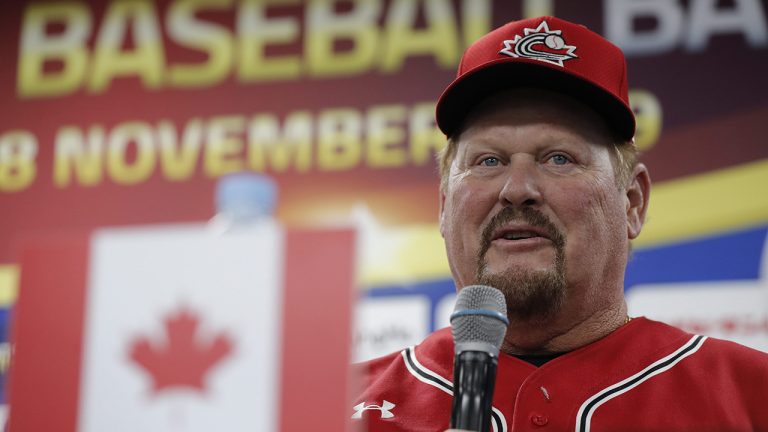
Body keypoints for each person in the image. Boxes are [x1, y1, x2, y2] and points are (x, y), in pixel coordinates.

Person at [351, 16, 768, 432]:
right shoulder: (339, 408)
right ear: (444, 207)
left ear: (632, 203)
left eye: (559, 158)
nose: (517, 188)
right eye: (488, 160)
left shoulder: (751, 396)